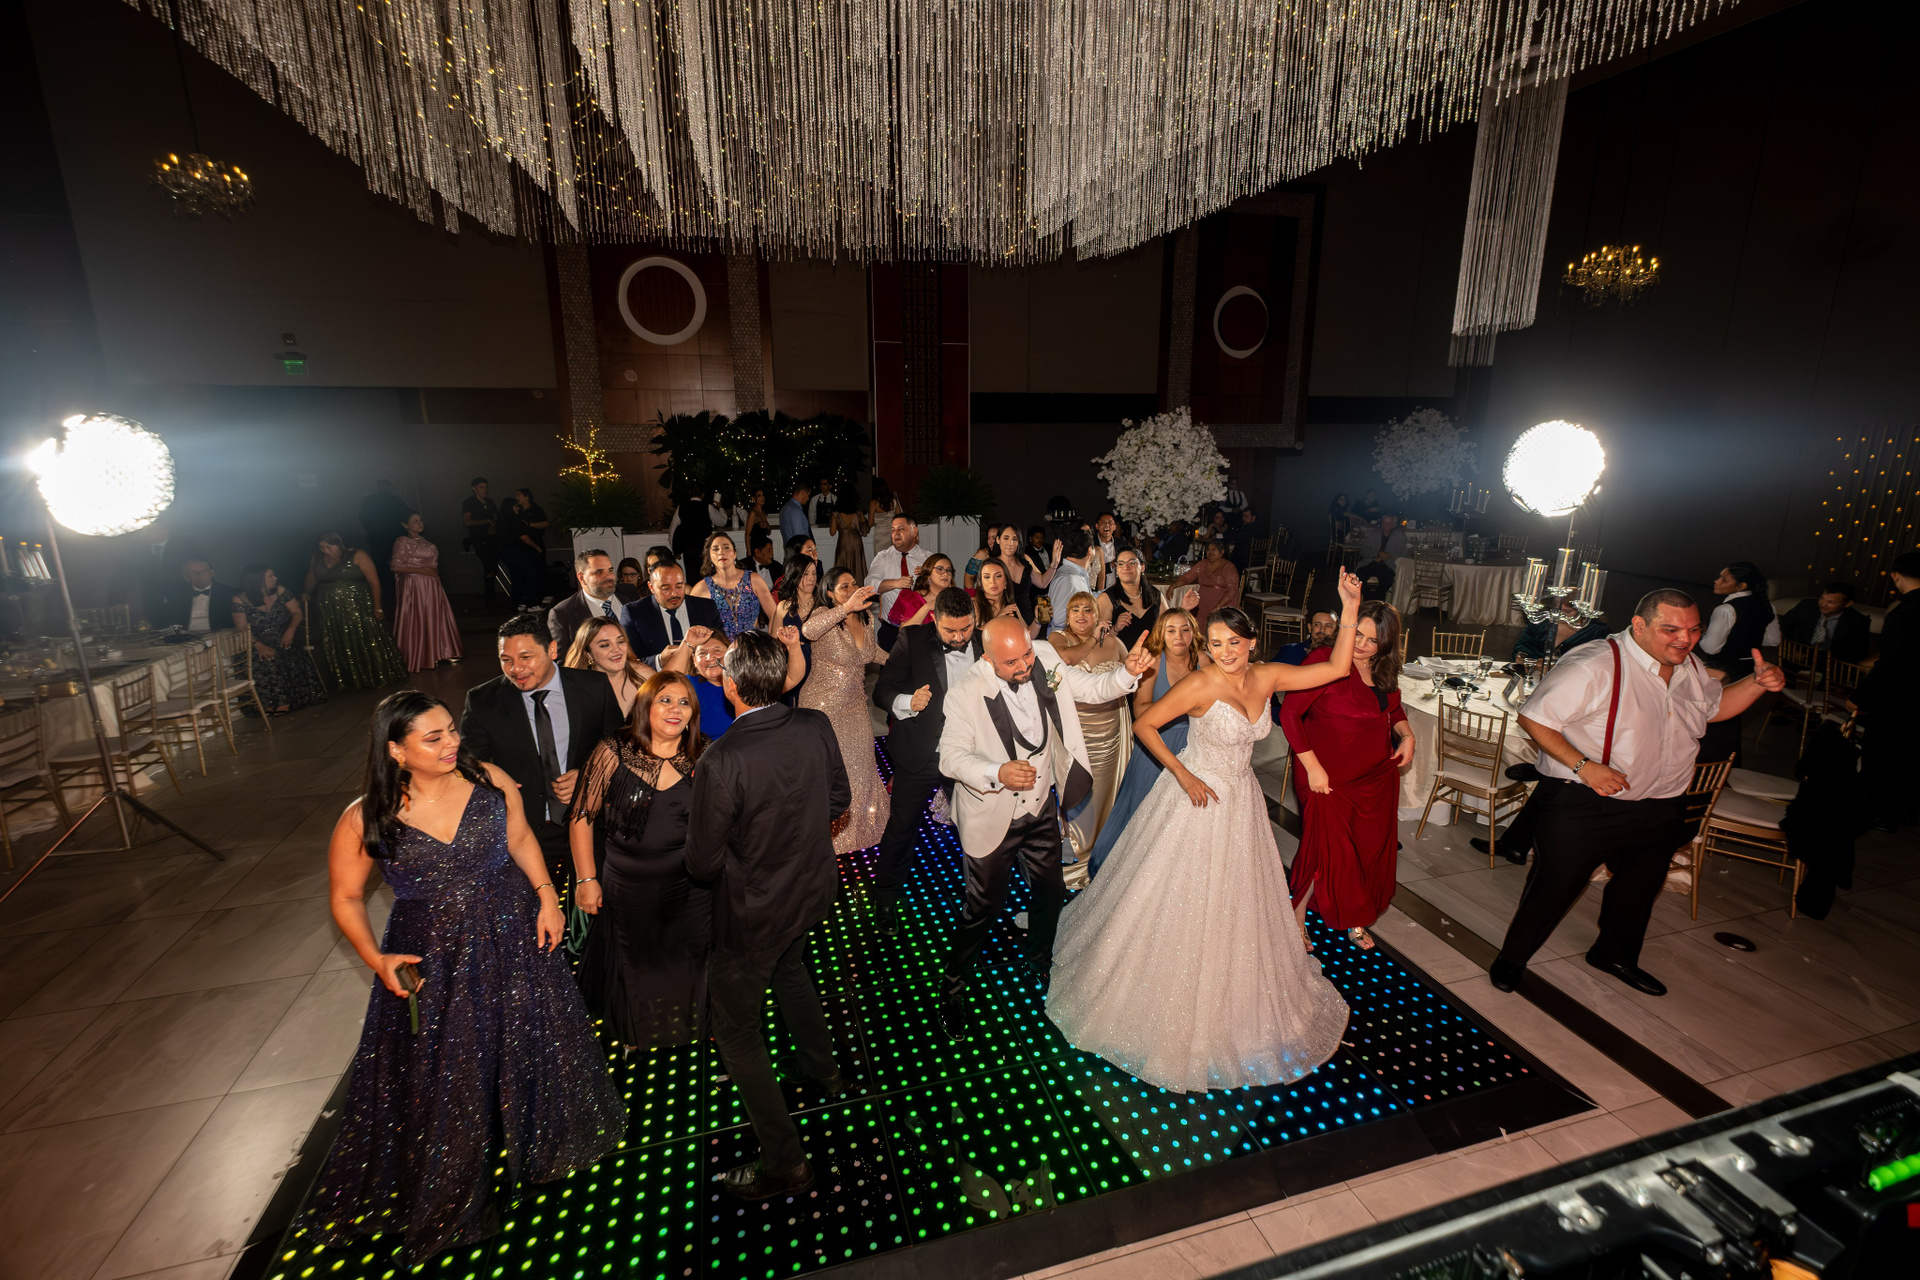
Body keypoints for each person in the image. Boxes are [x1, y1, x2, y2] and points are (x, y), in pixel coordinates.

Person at [299, 691, 623, 1264]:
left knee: (528, 1038)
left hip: (513, 931)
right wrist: (376, 958)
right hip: (435, 954)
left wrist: (548, 897)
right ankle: (457, 1181)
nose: (452, 743)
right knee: (452, 1066)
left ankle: (537, 1142)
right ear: (396, 751)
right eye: (434, 738)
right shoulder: (367, 816)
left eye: (451, 729)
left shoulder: (489, 779)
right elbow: (346, 896)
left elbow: (519, 839)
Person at [1045, 585, 1361, 1091]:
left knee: (1240, 900)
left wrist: (1349, 608)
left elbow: (1337, 668)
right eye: (1215, 643)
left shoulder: (1267, 675)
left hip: (1242, 802)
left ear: (1251, 642)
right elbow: (1146, 724)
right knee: (1179, 894)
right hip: (1197, 799)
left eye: (1233, 642)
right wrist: (1182, 774)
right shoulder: (1200, 683)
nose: (1225, 651)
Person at [1489, 590, 1787, 996]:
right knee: (1555, 886)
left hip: (1662, 803)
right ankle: (1512, 958)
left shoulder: (1689, 666)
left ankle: (1613, 955)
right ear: (1639, 625)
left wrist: (1755, 684)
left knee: (1639, 889)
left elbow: (1713, 709)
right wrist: (1583, 765)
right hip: (1587, 803)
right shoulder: (1593, 663)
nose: (1685, 639)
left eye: (1693, 629)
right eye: (1671, 629)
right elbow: (1535, 717)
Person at [686, 631, 854, 1199]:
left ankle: (785, 1163)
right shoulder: (814, 724)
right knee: (791, 971)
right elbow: (838, 801)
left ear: (729, 686)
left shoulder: (721, 759)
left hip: (755, 912)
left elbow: (702, 862)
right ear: (782, 680)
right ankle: (823, 1071)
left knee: (736, 1031)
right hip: (811, 892)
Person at [935, 614, 1154, 1039]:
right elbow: (950, 757)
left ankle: (1039, 961)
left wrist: (1127, 674)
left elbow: (1089, 688)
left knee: (1050, 891)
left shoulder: (1046, 657)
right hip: (991, 815)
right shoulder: (965, 693)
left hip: (1039, 810)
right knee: (982, 908)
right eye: (1012, 662)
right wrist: (997, 771)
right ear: (988, 659)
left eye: (1027, 655)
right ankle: (952, 989)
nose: (1024, 666)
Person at [569, 671, 711, 1050]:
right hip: (628, 883)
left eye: (684, 703)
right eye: (665, 700)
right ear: (646, 706)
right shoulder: (613, 750)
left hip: (690, 884)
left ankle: (692, 1028)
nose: (675, 709)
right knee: (637, 960)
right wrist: (586, 879)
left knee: (691, 956)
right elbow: (581, 817)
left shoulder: (705, 754)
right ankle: (639, 1032)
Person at [1282, 600, 1415, 950]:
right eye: (1358, 634)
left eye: (1373, 640)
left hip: (1373, 776)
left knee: (1364, 847)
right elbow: (1290, 714)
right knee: (1322, 848)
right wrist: (1313, 768)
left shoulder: (1383, 669)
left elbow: (1393, 709)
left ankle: (1355, 913)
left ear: (1386, 645)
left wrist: (1407, 736)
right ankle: (1296, 916)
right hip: (1324, 775)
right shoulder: (1323, 660)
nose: (1362, 645)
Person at [459, 615, 624, 882]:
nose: (516, 669)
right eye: (506, 660)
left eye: (526, 657)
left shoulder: (594, 688)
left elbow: (620, 749)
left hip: (591, 826)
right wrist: (494, 782)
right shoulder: (482, 701)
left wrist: (589, 777)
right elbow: (468, 767)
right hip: (526, 834)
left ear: (552, 650)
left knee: (597, 902)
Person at [871, 588, 983, 934]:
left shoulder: (986, 642)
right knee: (902, 829)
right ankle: (885, 899)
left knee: (978, 828)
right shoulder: (912, 639)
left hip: (971, 755)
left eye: (966, 628)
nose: (959, 638)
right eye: (950, 631)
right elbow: (882, 690)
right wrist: (908, 702)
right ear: (935, 620)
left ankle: (980, 898)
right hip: (921, 752)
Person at [1087, 606, 1206, 877]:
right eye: (1171, 630)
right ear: (1161, 634)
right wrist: (1183, 706)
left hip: (1195, 744)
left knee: (1181, 816)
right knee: (1140, 810)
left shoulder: (1204, 661)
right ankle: (1123, 872)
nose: (1179, 637)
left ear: (1194, 632)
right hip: (1156, 743)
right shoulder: (1152, 663)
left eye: (1185, 629)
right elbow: (1140, 711)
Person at [801, 568, 889, 852]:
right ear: (830, 593)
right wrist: (845, 608)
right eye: (844, 587)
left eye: (854, 584)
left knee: (862, 764)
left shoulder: (866, 617)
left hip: (855, 705)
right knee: (831, 769)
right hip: (822, 707)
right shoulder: (823, 615)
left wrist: (901, 661)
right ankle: (827, 833)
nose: (852, 589)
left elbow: (870, 653)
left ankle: (861, 828)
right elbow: (808, 631)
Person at [1046, 591, 1134, 859]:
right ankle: (1072, 842)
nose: (1081, 615)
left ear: (1097, 615)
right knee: (1075, 786)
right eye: (1075, 610)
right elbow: (1067, 659)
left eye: (1087, 610)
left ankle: (1104, 842)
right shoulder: (1058, 638)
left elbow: (1131, 676)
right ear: (1067, 616)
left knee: (1105, 790)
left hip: (1111, 732)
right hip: (1076, 731)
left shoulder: (1115, 643)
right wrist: (1094, 638)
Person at [1851, 554, 1920, 831]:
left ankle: (1882, 813)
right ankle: (1905, 811)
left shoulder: (1903, 613)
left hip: (1898, 697)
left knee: (1883, 755)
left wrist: (1860, 696)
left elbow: (1890, 663)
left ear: (1895, 576)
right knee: (1910, 756)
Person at [307, 533, 407, 690]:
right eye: (322, 547)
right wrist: (305, 592)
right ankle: (351, 680)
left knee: (364, 638)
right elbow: (312, 577)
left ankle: (377, 675)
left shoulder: (357, 555)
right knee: (342, 642)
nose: (325, 550)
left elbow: (374, 582)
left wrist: (377, 607)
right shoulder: (318, 558)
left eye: (328, 546)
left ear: (338, 544)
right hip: (331, 610)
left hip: (358, 606)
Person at [229, 564, 325, 714]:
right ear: (258, 580)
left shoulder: (280, 591)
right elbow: (242, 628)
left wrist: (290, 630)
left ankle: (288, 701)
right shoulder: (240, 599)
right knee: (264, 659)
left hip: (282, 636)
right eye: (270, 576)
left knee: (287, 653)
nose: (275, 578)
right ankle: (272, 703)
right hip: (256, 641)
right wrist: (258, 645)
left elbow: (297, 613)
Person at [390, 512, 463, 671]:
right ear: (405, 525)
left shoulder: (423, 540)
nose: (419, 523)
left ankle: (440, 652)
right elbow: (395, 566)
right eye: (414, 521)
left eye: (420, 520)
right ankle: (421, 655)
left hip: (431, 584)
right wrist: (422, 571)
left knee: (434, 616)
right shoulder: (403, 541)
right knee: (419, 616)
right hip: (415, 585)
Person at [622, 561, 723, 670]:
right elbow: (628, 663)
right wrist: (659, 660)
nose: (674, 593)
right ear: (651, 587)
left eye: (679, 586)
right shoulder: (634, 613)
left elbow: (722, 647)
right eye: (666, 588)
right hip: (658, 678)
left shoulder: (706, 607)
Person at [1698, 561, 1781, 681]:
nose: (1716, 581)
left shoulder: (1725, 610)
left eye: (1724, 580)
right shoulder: (1768, 605)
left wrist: (1703, 633)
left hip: (1723, 674)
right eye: (1719, 577)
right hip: (1751, 671)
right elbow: (1773, 640)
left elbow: (1710, 648)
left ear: (1742, 586)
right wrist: (1746, 639)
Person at [688, 530, 778, 640]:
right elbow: (692, 627)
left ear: (734, 553)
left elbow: (775, 615)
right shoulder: (701, 588)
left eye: (726, 547)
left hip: (752, 646)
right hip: (720, 648)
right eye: (715, 549)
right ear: (709, 556)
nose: (721, 552)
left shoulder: (754, 580)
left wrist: (773, 643)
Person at [563, 616, 657, 719]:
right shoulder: (576, 691)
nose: (616, 649)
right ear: (588, 654)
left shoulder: (644, 675)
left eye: (620, 641)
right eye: (605, 645)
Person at [866, 513, 929, 651]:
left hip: (922, 628)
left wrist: (928, 576)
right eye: (893, 530)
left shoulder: (928, 559)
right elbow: (869, 584)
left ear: (914, 531)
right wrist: (896, 583)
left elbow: (944, 587)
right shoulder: (883, 557)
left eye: (901, 529)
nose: (896, 533)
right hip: (891, 630)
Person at [358, 479, 413, 625]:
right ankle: (396, 601)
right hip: (391, 539)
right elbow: (406, 515)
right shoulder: (395, 501)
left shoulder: (370, 501)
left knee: (381, 572)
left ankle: (386, 601)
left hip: (378, 539)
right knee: (395, 571)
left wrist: (372, 530)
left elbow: (363, 517)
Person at [549, 549, 630, 645]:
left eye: (610, 570)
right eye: (599, 572)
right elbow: (564, 654)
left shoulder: (629, 593)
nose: (609, 577)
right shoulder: (563, 613)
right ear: (581, 578)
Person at [1778, 581, 1870, 664]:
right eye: (1822, 598)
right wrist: (1791, 649)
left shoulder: (1858, 621)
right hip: (1803, 653)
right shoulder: (1806, 606)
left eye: (1831, 602)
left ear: (1848, 603)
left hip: (1834, 661)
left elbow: (1857, 652)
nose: (1823, 604)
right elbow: (1782, 626)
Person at [772, 552, 821, 701]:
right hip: (792, 667)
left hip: (819, 670)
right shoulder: (783, 607)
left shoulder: (822, 605)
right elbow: (773, 644)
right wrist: (785, 641)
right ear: (794, 576)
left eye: (814, 573)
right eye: (805, 574)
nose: (811, 578)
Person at [497, 488, 551, 611]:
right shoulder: (515, 520)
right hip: (520, 552)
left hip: (507, 552)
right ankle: (532, 604)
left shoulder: (502, 520)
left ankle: (520, 602)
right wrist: (536, 546)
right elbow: (523, 537)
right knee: (530, 575)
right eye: (515, 506)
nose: (517, 507)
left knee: (517, 578)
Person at [1513, 596, 1611, 661]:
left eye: (1568, 611)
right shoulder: (1541, 622)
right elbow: (1521, 647)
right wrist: (1523, 657)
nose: (1561, 615)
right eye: (1558, 610)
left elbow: (1599, 661)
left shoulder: (1598, 631)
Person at [1097, 548, 1159, 649]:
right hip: (1120, 657)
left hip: (1151, 656)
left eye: (1132, 563)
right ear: (1117, 570)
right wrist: (1115, 629)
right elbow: (1098, 642)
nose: (1126, 567)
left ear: (1142, 567)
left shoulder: (1155, 595)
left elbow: (1169, 628)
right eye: (1121, 564)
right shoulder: (1106, 598)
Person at [1174, 536, 1242, 621]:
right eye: (1208, 550)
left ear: (1222, 552)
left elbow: (1232, 591)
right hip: (1202, 604)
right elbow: (1187, 577)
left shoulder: (1228, 567)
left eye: (1213, 550)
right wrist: (1173, 586)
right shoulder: (1203, 564)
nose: (1210, 552)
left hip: (1222, 606)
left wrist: (1218, 607)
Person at [165, 558, 240, 633]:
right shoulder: (177, 596)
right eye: (194, 572)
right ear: (186, 577)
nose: (199, 575)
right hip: (187, 637)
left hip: (219, 636)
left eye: (203, 571)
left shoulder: (229, 594)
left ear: (212, 573)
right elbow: (172, 622)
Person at [1045, 527, 1096, 636]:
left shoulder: (1074, 574)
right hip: (1065, 643)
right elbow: (1059, 619)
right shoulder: (1069, 579)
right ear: (1090, 551)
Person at [887, 553, 956, 630]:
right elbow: (904, 633)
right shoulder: (913, 599)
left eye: (949, 570)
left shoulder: (956, 599)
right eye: (940, 569)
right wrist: (926, 607)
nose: (945, 574)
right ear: (928, 574)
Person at [461, 477, 502, 606]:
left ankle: (489, 593)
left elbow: (497, 517)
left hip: (492, 538)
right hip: (479, 538)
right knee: (488, 564)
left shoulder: (490, 502)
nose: (485, 490)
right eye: (481, 487)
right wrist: (484, 522)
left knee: (493, 564)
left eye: (485, 487)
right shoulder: (469, 502)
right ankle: (490, 595)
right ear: (474, 488)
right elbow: (467, 522)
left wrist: (494, 524)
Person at [973, 559, 1036, 638]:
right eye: (987, 577)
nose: (992, 581)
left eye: (998, 576)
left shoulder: (1011, 607)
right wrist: (997, 619)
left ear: (1006, 581)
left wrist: (1037, 621)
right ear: (981, 582)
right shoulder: (974, 605)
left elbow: (1028, 636)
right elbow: (972, 637)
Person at [670, 487, 714, 582]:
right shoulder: (707, 507)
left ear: (690, 492)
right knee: (706, 578)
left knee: (691, 578)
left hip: (688, 550)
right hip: (704, 549)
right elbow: (722, 521)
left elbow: (673, 529)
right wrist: (720, 508)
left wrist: (675, 550)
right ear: (703, 494)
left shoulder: (681, 507)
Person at [829, 489, 869, 582]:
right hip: (856, 543)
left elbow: (832, 532)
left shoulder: (836, 514)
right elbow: (865, 531)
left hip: (844, 542)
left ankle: (843, 586)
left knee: (842, 567)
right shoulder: (858, 513)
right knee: (857, 567)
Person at [1092, 513, 1130, 590]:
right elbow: (1090, 569)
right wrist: (1111, 565)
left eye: (1110, 523)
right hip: (1097, 590)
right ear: (1097, 526)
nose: (1107, 525)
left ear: (1114, 527)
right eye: (1103, 522)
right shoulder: (1092, 545)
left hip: (1118, 590)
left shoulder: (1122, 544)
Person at [868, 477, 902, 558]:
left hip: (880, 535)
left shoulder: (874, 503)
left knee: (880, 559)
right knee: (893, 558)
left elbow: (870, 523)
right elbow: (900, 518)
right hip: (892, 534)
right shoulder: (893, 500)